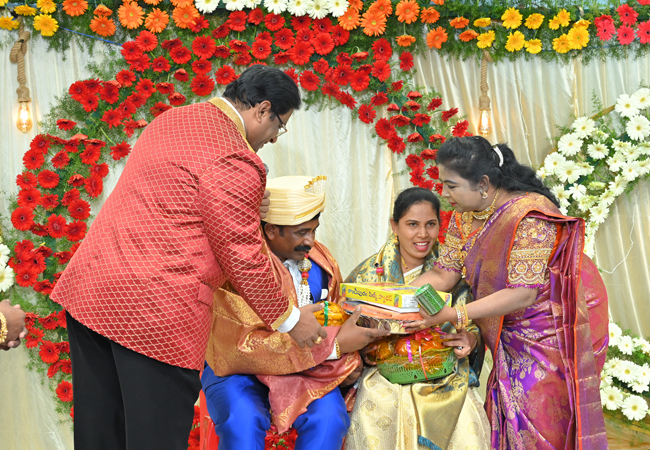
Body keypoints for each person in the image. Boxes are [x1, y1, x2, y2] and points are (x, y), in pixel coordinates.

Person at [50, 65, 327, 450]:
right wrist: (291, 320)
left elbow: (182, 201)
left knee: (101, 435)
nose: (274, 138)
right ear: (262, 109)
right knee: (155, 440)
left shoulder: (175, 118)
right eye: (279, 126)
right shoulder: (236, 157)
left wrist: (250, 203)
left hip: (94, 293)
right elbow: (241, 254)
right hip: (153, 315)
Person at [408, 136, 609, 449]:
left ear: (484, 184)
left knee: (540, 412)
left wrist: (456, 314)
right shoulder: (465, 217)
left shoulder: (529, 216)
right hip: (508, 327)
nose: (444, 194)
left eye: (451, 185)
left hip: (552, 330)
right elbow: (443, 274)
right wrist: (390, 293)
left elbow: (523, 294)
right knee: (505, 413)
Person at [202, 175, 389, 450]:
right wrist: (334, 347)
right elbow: (239, 347)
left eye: (314, 230)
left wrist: (355, 343)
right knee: (243, 419)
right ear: (271, 231)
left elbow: (336, 315)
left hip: (310, 370)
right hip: (238, 371)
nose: (311, 241)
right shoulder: (237, 271)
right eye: (301, 232)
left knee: (330, 419)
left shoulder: (320, 261)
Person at [344, 187, 491, 450]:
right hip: (382, 374)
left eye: (430, 224)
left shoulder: (454, 270)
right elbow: (345, 332)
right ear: (395, 226)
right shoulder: (367, 274)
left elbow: (470, 325)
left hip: (441, 374)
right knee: (375, 410)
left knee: (466, 424)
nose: (423, 234)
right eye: (412, 224)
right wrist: (364, 351)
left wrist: (470, 339)